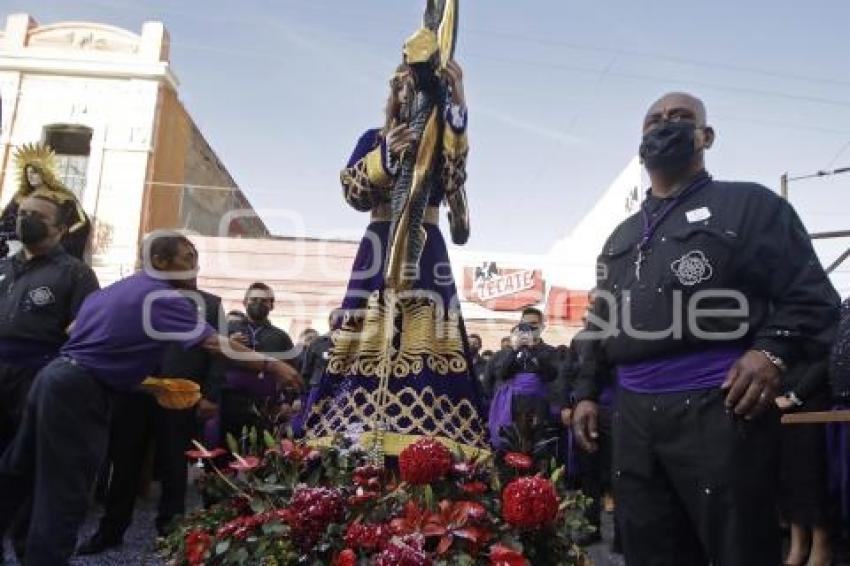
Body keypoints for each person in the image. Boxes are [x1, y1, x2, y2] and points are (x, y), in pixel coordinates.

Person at [571, 92, 840, 565]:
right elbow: (600, 318)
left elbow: (813, 298)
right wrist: (586, 391)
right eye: (654, 119)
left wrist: (771, 354)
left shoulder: (751, 206)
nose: (664, 125)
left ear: (706, 136)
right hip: (633, 419)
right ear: (641, 140)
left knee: (738, 549)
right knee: (646, 547)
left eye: (680, 118)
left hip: (719, 409)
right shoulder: (621, 236)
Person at [0, 232, 302, 565]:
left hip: (53, 379)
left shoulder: (115, 290)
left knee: (20, 473)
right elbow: (216, 345)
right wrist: (272, 365)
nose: (195, 266)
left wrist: (150, 383)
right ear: (160, 262)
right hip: (80, 393)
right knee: (64, 493)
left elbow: (78, 333)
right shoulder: (161, 298)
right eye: (188, 257)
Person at [301, 18, 487, 457]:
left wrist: (458, 108)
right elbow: (353, 192)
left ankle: (434, 434)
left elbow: (454, 176)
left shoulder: (444, 137)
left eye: (415, 85)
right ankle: (350, 431)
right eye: (401, 86)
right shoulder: (373, 138)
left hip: (427, 247)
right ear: (393, 93)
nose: (409, 93)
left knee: (427, 329)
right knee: (368, 324)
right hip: (379, 243)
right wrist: (385, 157)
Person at [78, 288, 227, 554]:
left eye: (192, 258)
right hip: (133, 390)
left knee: (174, 464)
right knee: (124, 462)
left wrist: (211, 394)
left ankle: (171, 534)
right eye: (184, 257)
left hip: (180, 393)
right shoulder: (135, 295)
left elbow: (219, 350)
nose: (189, 264)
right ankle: (111, 530)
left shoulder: (209, 303)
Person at [0, 193, 99, 561]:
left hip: (39, 377)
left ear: (59, 228)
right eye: (23, 213)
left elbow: (84, 331)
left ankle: (29, 548)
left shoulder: (76, 273)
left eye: (37, 216)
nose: (26, 219)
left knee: (31, 466)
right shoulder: (5, 267)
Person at [218, 282, 297, 447]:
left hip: (265, 405)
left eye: (264, 301)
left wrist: (287, 402)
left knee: (259, 451)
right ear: (244, 302)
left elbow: (291, 371)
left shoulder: (281, 337)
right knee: (225, 450)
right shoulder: (227, 329)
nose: (258, 304)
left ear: (271, 305)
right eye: (253, 300)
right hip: (229, 400)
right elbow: (211, 359)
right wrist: (228, 344)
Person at [483, 308, 569, 451]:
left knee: (540, 451)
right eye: (525, 324)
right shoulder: (510, 352)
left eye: (534, 324)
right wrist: (516, 349)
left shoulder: (552, 352)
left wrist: (533, 351)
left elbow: (552, 375)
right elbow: (503, 375)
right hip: (513, 409)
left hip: (541, 409)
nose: (530, 328)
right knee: (510, 450)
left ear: (542, 327)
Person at [775, 360, 833, 566]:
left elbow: (827, 353)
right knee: (788, 473)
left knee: (812, 472)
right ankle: (798, 544)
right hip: (780, 391)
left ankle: (821, 545)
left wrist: (795, 396)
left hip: (815, 394)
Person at [0, 143, 91, 261]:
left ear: (45, 173)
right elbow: (5, 221)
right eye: (27, 173)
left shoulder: (62, 198)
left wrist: (55, 239)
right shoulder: (19, 197)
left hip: (48, 251)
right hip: (15, 249)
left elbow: (81, 224)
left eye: (34, 172)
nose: (30, 176)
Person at [292, 311, 341, 436]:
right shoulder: (318, 342)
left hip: (340, 390)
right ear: (330, 321)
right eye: (336, 318)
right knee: (311, 422)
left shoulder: (354, 342)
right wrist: (301, 397)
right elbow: (306, 372)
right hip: (318, 389)